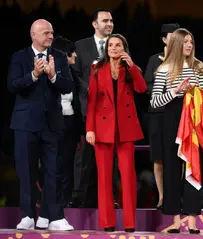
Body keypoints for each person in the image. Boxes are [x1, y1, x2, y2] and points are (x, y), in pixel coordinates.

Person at [7, 19, 73, 231]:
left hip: (52, 124)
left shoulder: (60, 57)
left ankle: (54, 217)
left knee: (53, 171)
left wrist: (53, 76)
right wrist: (34, 75)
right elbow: (12, 85)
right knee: (26, 171)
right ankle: (27, 215)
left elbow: (68, 85)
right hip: (25, 123)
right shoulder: (19, 57)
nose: (51, 36)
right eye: (46, 33)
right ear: (33, 35)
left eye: (52, 32)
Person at [150, 28, 203, 234]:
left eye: (191, 42)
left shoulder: (198, 66)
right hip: (172, 117)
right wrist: (175, 91)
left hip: (193, 117)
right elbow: (155, 101)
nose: (189, 45)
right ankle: (175, 220)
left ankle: (193, 221)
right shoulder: (164, 69)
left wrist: (194, 92)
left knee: (193, 167)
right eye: (185, 42)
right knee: (172, 168)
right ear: (175, 43)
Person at [86, 33, 147, 232]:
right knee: (104, 177)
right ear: (106, 48)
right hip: (103, 129)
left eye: (118, 45)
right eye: (110, 45)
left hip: (125, 129)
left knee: (128, 177)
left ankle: (129, 223)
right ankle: (107, 223)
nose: (113, 48)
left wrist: (132, 66)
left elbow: (142, 88)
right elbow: (92, 102)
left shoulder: (130, 69)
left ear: (124, 48)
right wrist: (90, 129)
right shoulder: (96, 69)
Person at [71, 8, 119, 209]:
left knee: (111, 157)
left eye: (111, 21)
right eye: (105, 20)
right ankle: (77, 197)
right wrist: (90, 88)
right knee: (82, 157)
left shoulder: (118, 45)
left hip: (111, 112)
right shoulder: (80, 46)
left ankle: (110, 197)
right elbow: (74, 74)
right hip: (86, 109)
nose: (109, 24)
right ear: (94, 24)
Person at [35, 36, 85, 229]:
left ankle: (52, 214)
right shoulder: (46, 70)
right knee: (53, 170)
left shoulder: (71, 74)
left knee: (64, 171)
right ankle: (47, 215)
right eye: (72, 54)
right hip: (53, 124)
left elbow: (77, 105)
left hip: (70, 125)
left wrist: (79, 131)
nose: (75, 57)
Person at [144, 23, 180, 209]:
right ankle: (161, 196)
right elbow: (146, 84)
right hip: (158, 113)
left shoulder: (185, 59)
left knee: (178, 155)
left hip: (178, 113)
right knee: (158, 156)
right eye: (171, 37)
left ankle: (176, 194)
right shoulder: (154, 60)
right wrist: (166, 93)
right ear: (164, 39)